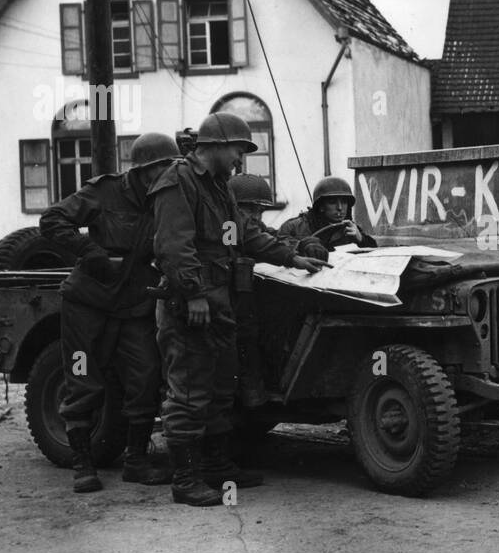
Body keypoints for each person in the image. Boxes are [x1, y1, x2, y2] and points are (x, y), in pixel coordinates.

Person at [150, 112, 325, 507]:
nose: (240, 161)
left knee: (219, 388)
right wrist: (193, 294)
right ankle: (186, 478)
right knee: (190, 390)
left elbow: (244, 234)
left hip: (219, 302)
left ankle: (215, 467)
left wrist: (291, 258)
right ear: (213, 146)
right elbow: (173, 246)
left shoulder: (219, 188)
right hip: (190, 304)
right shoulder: (178, 182)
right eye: (237, 150)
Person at [39, 131, 181, 493]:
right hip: (87, 304)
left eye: (171, 168)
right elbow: (53, 220)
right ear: (144, 169)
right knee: (82, 378)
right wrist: (88, 250)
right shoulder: (104, 191)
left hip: (133, 306)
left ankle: (136, 461)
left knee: (146, 376)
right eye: (161, 169)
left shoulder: (166, 199)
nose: (167, 176)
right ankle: (83, 464)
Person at [226, 173, 325, 408]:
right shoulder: (229, 224)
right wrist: (294, 257)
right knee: (242, 339)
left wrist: (302, 243)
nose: (256, 216)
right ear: (236, 206)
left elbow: (270, 235)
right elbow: (257, 241)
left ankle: (255, 394)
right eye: (251, 209)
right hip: (225, 295)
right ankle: (245, 396)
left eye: (259, 210)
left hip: (241, 294)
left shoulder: (247, 223)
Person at [278, 176, 378, 255]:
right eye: (332, 202)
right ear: (321, 206)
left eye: (343, 202)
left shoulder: (350, 228)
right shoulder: (294, 227)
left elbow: (374, 254)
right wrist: (302, 246)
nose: (339, 208)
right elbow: (279, 248)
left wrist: (361, 239)